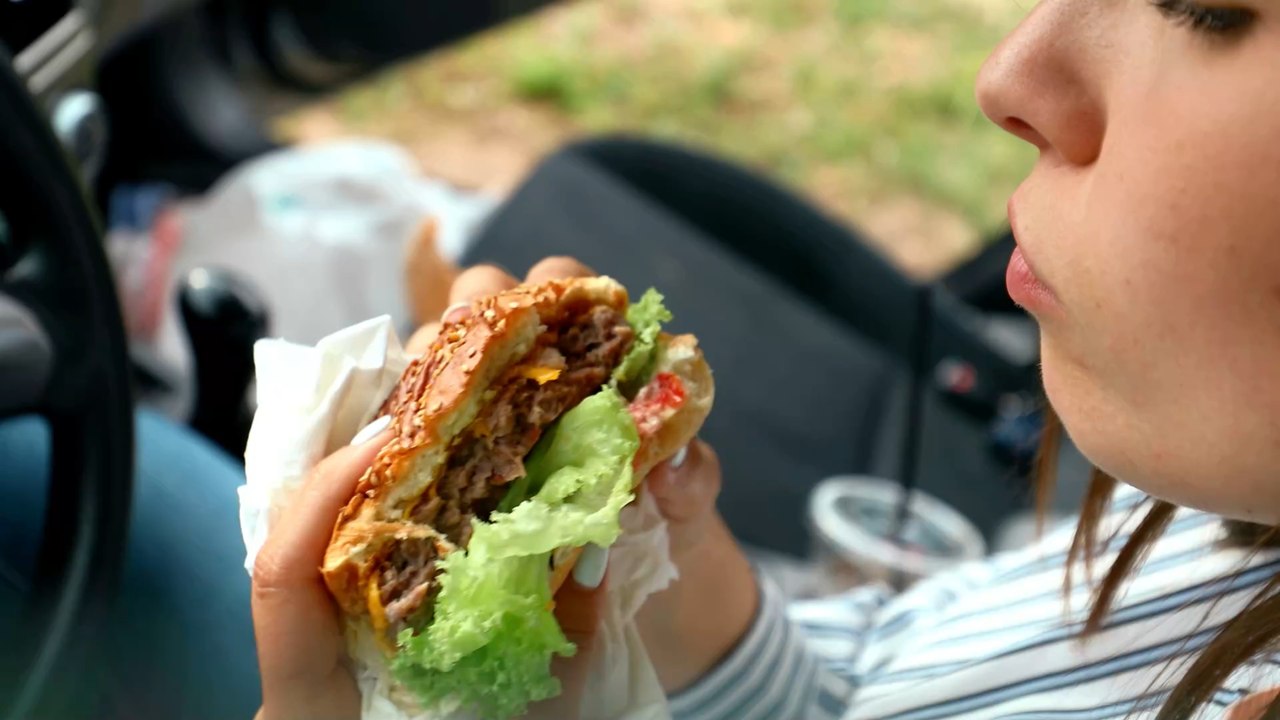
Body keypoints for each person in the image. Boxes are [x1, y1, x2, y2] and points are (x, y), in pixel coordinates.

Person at [252, 1, 1280, 718]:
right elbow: (879, 687)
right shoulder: (1218, 527)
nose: (1007, 76)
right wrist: (650, 568)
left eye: (1201, 9)